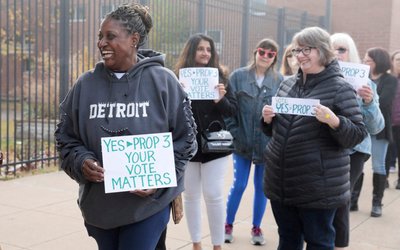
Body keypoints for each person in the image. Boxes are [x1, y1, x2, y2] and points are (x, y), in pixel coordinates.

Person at [54, 4, 197, 250]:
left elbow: (187, 139)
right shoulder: (85, 85)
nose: (101, 43)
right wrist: (81, 161)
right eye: (100, 36)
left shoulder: (163, 81)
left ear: (134, 40)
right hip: (101, 206)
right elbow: (65, 138)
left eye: (110, 36)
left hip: (148, 205)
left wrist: (159, 178)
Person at [261, 26, 367, 249]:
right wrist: (268, 120)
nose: (299, 55)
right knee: (288, 240)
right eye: (297, 50)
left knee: (319, 242)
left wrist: (334, 121)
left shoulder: (341, 88)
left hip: (318, 188)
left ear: (322, 50)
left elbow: (357, 134)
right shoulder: (287, 84)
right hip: (282, 184)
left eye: (306, 49)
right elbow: (276, 132)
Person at [174, 33, 237, 250]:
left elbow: (233, 111)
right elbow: (170, 112)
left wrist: (221, 99)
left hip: (215, 146)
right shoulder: (178, 78)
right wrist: (178, 94)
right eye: (201, 49)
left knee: (213, 194)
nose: (205, 53)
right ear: (192, 51)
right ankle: (196, 243)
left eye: (209, 49)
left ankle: (217, 244)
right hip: (188, 146)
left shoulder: (221, 77)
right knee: (191, 196)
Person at [224, 38, 283, 246]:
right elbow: (229, 109)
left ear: (275, 57)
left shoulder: (279, 81)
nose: (265, 56)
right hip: (242, 142)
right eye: (262, 52)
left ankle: (256, 227)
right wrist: (234, 132)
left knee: (262, 187)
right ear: (255, 52)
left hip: (267, 144)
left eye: (271, 54)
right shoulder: (238, 77)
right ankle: (227, 224)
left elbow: (283, 115)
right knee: (239, 184)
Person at [330, 33, 384, 249]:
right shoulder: (319, 78)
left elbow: (376, 126)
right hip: (325, 145)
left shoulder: (367, 83)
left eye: (341, 49)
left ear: (350, 51)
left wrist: (369, 102)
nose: (336, 53)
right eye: (332, 48)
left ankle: (335, 243)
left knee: (340, 197)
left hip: (354, 149)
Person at [362, 47, 397, 217]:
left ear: (378, 62)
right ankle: (352, 200)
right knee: (357, 164)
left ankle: (377, 203)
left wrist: (367, 100)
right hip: (360, 127)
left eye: (368, 60)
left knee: (379, 164)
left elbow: (385, 101)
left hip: (380, 127)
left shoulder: (390, 79)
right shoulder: (363, 77)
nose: (365, 63)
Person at [386, 50, 400, 189]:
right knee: (387, 152)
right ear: (392, 61)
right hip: (388, 122)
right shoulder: (388, 79)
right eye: (398, 59)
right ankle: (383, 179)